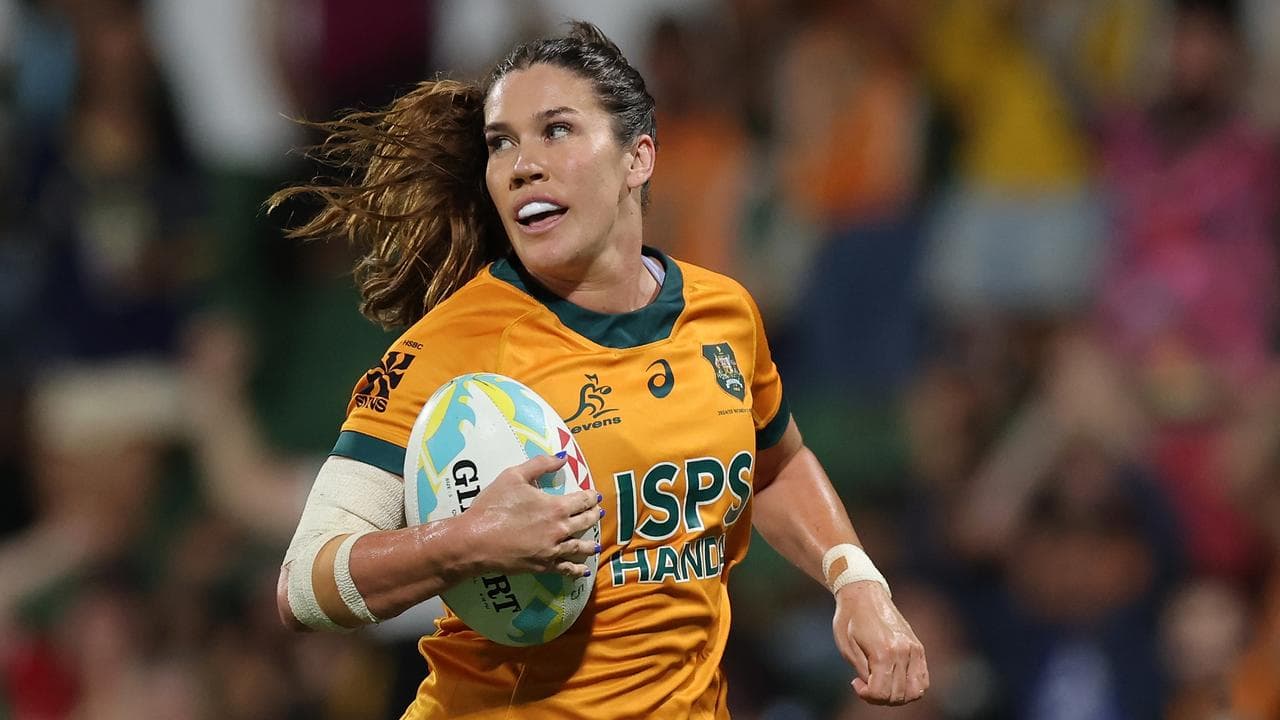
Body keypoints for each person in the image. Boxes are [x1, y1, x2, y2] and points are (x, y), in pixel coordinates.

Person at [270, 21, 928, 718]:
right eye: (502, 143)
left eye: (556, 130)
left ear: (638, 157)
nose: (523, 164)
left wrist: (856, 580)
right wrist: (465, 541)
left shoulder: (724, 315)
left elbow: (778, 465)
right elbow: (303, 585)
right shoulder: (454, 347)